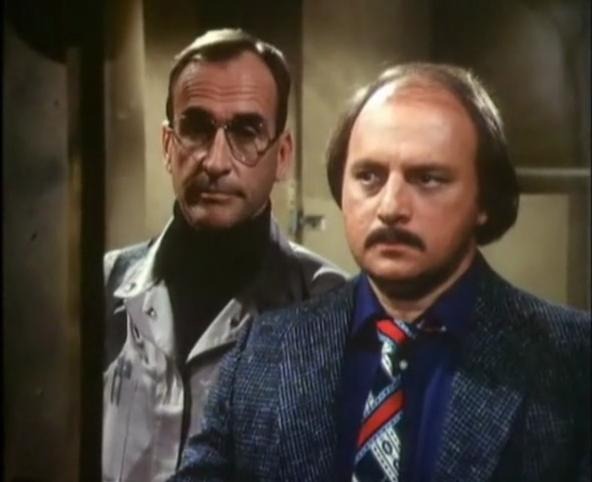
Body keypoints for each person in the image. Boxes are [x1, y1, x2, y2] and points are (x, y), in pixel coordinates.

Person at [172, 63, 591, 482]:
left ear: (484, 199)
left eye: (427, 179)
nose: (391, 207)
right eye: (369, 176)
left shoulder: (573, 360)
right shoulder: (261, 352)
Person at [102, 28, 347, 482]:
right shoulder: (105, 285)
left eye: (247, 131)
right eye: (196, 128)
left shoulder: (327, 306)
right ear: (167, 146)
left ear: (282, 155)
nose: (215, 162)